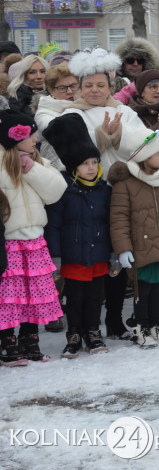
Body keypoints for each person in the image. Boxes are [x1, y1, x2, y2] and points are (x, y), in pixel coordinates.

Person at [61, 48, 150, 341]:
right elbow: (71, 157)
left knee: (119, 256)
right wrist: (100, 141)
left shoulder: (124, 112)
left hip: (123, 194)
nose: (94, 90)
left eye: (101, 85)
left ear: (111, 86)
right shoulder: (73, 114)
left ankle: (114, 318)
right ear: (79, 87)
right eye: (88, 85)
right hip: (88, 197)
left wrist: (119, 138)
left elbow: (142, 148)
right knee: (95, 259)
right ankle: (87, 323)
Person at [108, 128, 159, 348]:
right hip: (141, 247)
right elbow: (118, 219)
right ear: (144, 156)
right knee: (142, 291)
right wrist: (123, 248)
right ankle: (142, 327)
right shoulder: (125, 183)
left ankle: (156, 325)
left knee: (157, 290)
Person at [42, 114, 113, 358]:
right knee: (74, 298)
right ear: (74, 167)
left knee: (95, 297)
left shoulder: (105, 191)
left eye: (94, 162)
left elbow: (110, 223)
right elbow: (53, 225)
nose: (91, 168)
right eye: (85, 163)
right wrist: (56, 257)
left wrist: (113, 253)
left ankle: (93, 332)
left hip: (99, 255)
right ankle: (74, 335)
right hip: (73, 257)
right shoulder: (64, 191)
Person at [0, 111, 67, 364]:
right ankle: (7, 342)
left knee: (33, 294)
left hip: (35, 239)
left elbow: (55, 191)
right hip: (9, 240)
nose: (36, 139)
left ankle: (30, 340)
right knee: (9, 296)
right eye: (30, 134)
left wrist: (31, 168)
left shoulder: (36, 161)